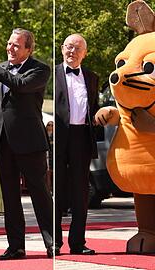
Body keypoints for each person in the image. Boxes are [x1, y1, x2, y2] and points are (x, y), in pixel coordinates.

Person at [0, 28, 54, 259]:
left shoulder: (40, 69)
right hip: (2, 143)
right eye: (9, 43)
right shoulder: (0, 70)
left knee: (40, 195)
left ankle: (53, 244)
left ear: (28, 50)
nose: (10, 48)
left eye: (16, 45)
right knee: (10, 198)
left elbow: (20, 85)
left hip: (30, 142)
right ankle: (16, 247)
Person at [55, 33, 99, 256]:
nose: (72, 51)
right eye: (69, 47)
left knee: (81, 193)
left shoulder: (92, 77)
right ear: (62, 49)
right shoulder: (51, 74)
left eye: (77, 48)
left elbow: (94, 108)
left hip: (82, 136)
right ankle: (53, 243)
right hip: (59, 137)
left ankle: (78, 243)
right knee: (57, 190)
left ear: (85, 53)